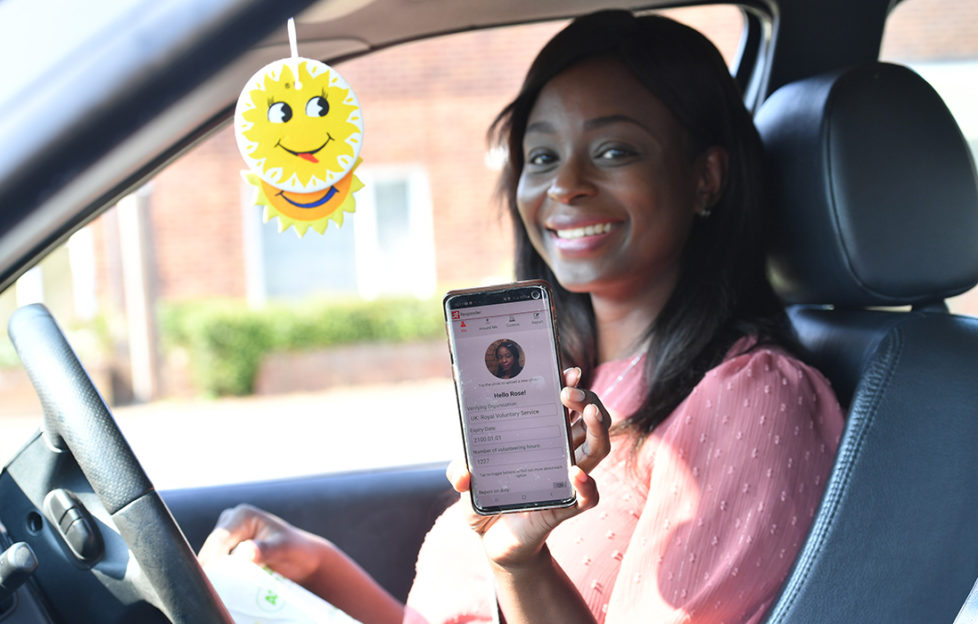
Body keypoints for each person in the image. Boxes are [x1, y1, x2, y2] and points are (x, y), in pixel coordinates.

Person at [198, 10, 844, 624]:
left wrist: (521, 561)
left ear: (706, 177)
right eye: (541, 157)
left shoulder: (752, 397)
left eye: (615, 151)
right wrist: (318, 567)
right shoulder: (564, 377)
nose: (565, 185)